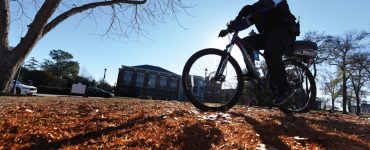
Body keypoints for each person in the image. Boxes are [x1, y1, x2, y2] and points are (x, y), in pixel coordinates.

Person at [218, 0, 300, 105]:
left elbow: (269, 4)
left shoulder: (273, 2)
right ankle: (252, 73)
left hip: (284, 31)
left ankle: (285, 89)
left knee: (271, 54)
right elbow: (246, 22)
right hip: (269, 34)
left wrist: (250, 8)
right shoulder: (257, 10)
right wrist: (230, 29)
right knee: (245, 42)